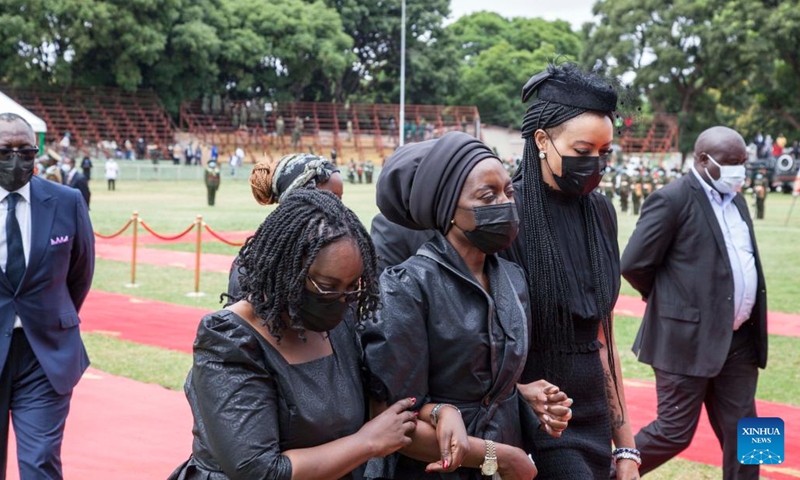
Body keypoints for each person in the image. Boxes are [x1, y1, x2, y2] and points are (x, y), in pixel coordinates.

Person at [169, 189, 417, 480]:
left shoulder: (338, 322)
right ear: (288, 271)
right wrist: (367, 443)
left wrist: (442, 411)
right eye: (328, 286)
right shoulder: (230, 339)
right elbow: (258, 470)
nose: (342, 299)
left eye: (352, 287)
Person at [362, 131, 569, 480]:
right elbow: (395, 421)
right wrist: (498, 457)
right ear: (448, 210)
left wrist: (523, 398)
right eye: (487, 196)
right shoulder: (407, 287)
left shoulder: (512, 278)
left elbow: (486, 389)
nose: (505, 204)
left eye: (509, 192)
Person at [501, 64, 640, 479]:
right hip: (538, 417)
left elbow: (604, 337)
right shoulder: (508, 215)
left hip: (594, 411)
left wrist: (627, 448)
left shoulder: (600, 212)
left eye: (604, 154)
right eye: (582, 153)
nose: (595, 164)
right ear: (542, 140)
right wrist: (517, 394)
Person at [621, 126, 767, 479]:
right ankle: (608, 473)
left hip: (739, 341)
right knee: (674, 432)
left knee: (752, 432)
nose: (740, 170)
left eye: (743, 162)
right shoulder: (671, 199)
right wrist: (673, 302)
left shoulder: (739, 199)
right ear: (703, 160)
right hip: (685, 340)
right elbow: (633, 264)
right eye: (732, 162)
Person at [0, 112, 95, 479]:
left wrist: (52, 314)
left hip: (46, 354)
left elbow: (80, 275)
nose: (16, 159)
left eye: (26, 151)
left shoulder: (66, 201)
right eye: (5, 151)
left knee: (40, 461)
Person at [225, 153, 343, 302]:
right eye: (331, 197)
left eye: (340, 198)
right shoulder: (257, 260)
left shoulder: (333, 249)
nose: (339, 207)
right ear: (298, 199)